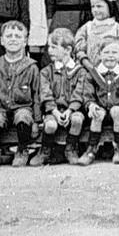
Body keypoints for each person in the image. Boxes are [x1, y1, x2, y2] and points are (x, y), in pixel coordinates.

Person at [0, 20, 40, 167]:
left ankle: (22, 149)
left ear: (25, 41)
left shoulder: (31, 66)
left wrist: (37, 121)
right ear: (2, 41)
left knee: (23, 116)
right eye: (9, 36)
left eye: (17, 36)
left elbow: (36, 95)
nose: (13, 39)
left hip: (23, 107)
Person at [38, 27, 91, 165]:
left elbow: (79, 93)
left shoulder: (80, 72)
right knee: (49, 125)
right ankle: (45, 150)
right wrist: (54, 111)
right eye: (49, 47)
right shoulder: (46, 72)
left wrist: (70, 110)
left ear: (67, 50)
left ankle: (70, 148)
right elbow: (45, 93)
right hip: (53, 111)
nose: (49, 51)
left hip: (72, 110)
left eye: (54, 47)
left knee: (77, 120)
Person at [81, 36, 119, 166]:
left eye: (114, 52)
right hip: (99, 113)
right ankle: (92, 149)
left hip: (118, 115)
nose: (110, 56)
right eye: (106, 52)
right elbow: (87, 95)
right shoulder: (93, 74)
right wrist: (91, 105)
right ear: (99, 55)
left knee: (117, 110)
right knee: (97, 113)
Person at [74, 0, 119, 67]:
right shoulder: (87, 28)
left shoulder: (118, 29)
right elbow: (78, 50)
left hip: (112, 71)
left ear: (110, 6)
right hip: (89, 70)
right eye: (93, 6)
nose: (95, 10)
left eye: (99, 6)